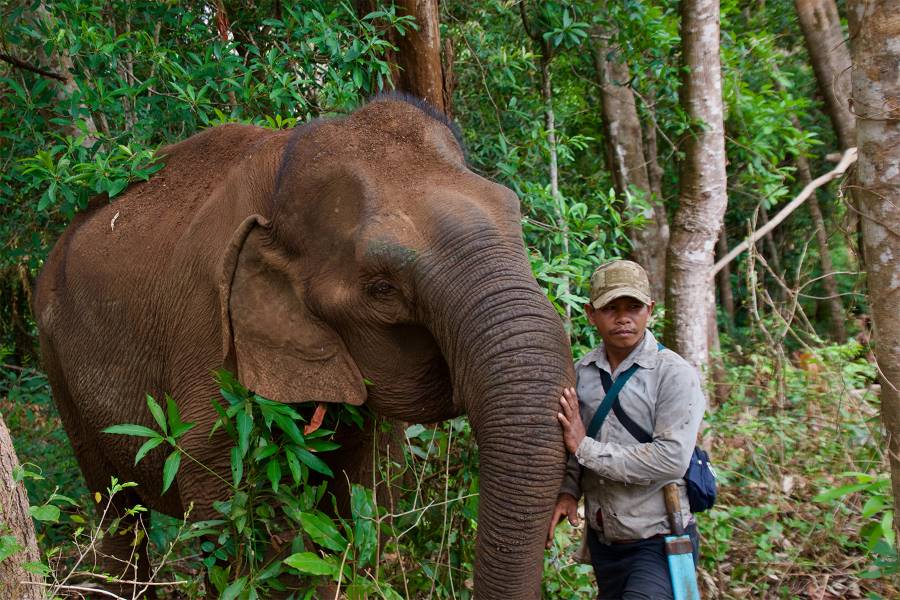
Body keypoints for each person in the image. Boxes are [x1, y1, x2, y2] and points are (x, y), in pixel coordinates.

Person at [548, 259, 706, 599]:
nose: (623, 318)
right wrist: (568, 492)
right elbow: (573, 439)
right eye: (610, 308)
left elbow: (671, 460)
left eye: (633, 307)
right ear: (591, 313)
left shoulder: (674, 374)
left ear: (649, 309)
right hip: (605, 546)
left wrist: (584, 447)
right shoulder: (581, 373)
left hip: (660, 542)